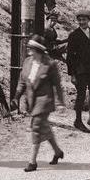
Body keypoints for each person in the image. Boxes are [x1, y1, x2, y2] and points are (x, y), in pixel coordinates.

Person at [17, 39, 66, 172]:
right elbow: (22, 81)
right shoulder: (27, 62)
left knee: (36, 127)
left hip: (45, 101)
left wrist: (60, 103)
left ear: (37, 50)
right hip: (32, 101)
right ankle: (57, 152)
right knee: (44, 127)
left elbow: (57, 86)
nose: (28, 51)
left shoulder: (50, 64)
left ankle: (32, 162)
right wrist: (16, 96)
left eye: (31, 48)